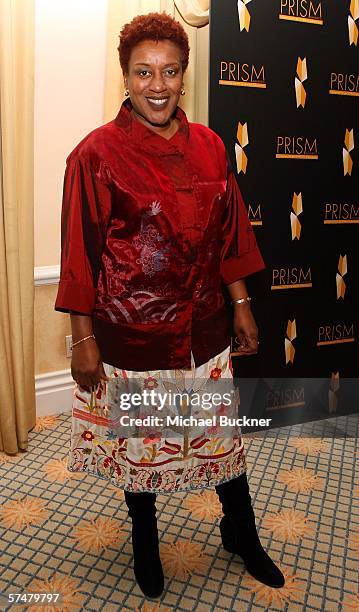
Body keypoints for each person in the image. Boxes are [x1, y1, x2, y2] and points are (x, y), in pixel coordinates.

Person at [55, 12, 284, 599]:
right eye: (143, 72)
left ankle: (241, 532)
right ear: (125, 78)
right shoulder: (95, 154)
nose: (157, 85)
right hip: (133, 334)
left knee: (221, 439)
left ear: (184, 77)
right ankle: (145, 540)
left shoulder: (210, 146)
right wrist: (83, 341)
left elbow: (230, 236)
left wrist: (242, 305)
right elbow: (79, 253)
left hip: (204, 327)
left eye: (170, 72)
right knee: (144, 445)